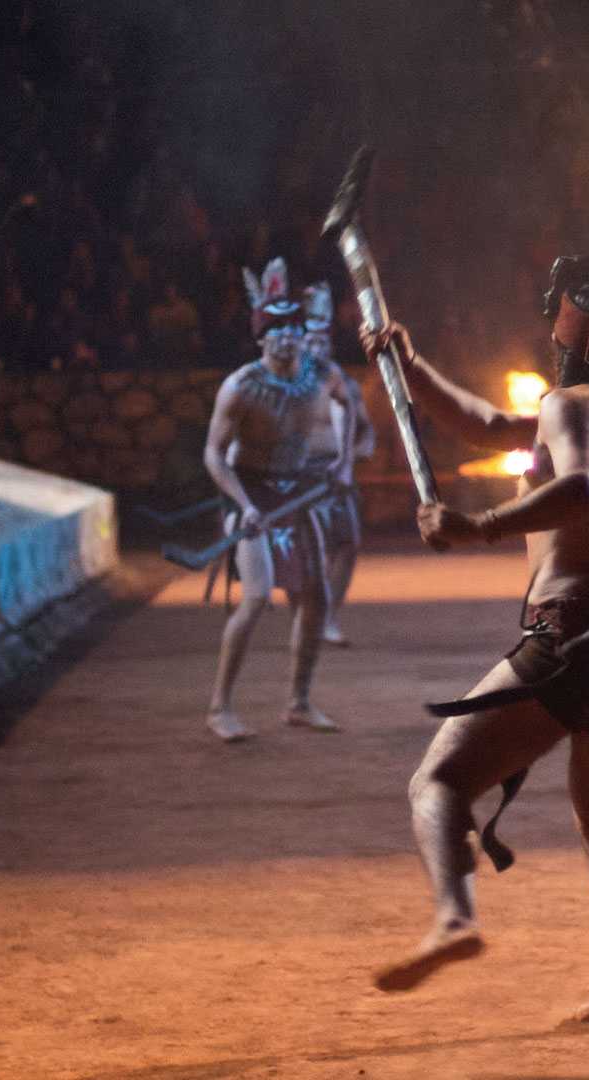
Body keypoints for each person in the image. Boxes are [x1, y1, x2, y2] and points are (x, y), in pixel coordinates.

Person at [365, 221, 589, 1028]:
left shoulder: (575, 404)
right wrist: (408, 367)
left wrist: (476, 527)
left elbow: (582, 489)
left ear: (567, 316)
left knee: (438, 784)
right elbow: (487, 428)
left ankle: (455, 917)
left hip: (578, 645)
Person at [200, 258, 355, 742]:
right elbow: (213, 453)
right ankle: (219, 707)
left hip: (297, 492)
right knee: (256, 596)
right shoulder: (241, 386)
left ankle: (299, 702)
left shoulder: (319, 374)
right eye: (277, 332)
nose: (287, 340)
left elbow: (346, 400)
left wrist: (342, 462)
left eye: (293, 330)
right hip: (250, 494)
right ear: (261, 338)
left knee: (316, 599)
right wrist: (243, 503)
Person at [297, 281, 376, 646]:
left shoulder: (344, 384)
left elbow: (361, 431)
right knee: (308, 550)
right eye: (309, 342)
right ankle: (310, 615)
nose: (317, 348)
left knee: (347, 544)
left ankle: (327, 615)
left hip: (338, 476)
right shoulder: (288, 386)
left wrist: (347, 462)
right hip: (300, 477)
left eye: (322, 342)